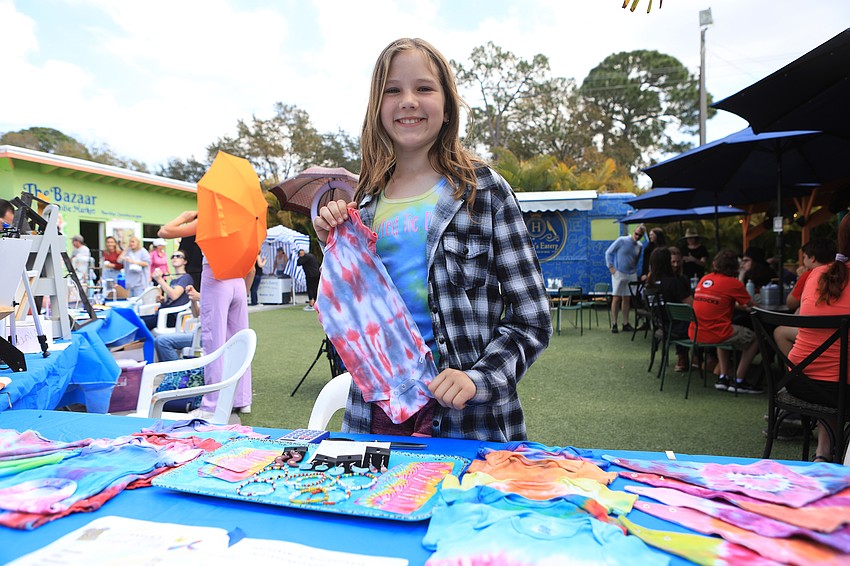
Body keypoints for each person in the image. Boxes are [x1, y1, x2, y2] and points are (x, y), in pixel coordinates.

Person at [312, 37, 551, 442]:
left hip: (468, 418)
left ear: (447, 106)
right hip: (374, 413)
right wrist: (334, 247)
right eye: (393, 90)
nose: (408, 100)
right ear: (377, 108)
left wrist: (480, 378)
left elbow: (532, 318)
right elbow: (350, 314)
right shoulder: (364, 202)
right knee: (374, 505)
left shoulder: (484, 191)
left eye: (424, 88)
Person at [158, 210, 252, 415]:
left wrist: (184, 216)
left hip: (216, 277)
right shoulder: (243, 221)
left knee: (213, 342)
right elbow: (252, 267)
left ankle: (212, 403)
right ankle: (243, 399)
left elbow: (164, 231)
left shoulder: (209, 221)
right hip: (238, 279)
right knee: (239, 342)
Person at [788, 215, 850, 462]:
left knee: (835, 371)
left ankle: (823, 453)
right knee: (839, 377)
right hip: (842, 388)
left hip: (800, 380)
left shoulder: (816, 274)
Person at [691, 250, 761, 394]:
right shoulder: (732, 283)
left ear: (715, 264)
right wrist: (741, 276)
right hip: (715, 332)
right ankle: (739, 379)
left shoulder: (705, 278)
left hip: (696, 331)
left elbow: (718, 300)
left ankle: (723, 377)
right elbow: (753, 306)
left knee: (724, 327)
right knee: (756, 338)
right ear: (735, 267)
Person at [774, 238, 837, 356]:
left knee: (779, 332)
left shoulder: (809, 274)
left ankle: (796, 370)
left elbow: (790, 303)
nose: (803, 261)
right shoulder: (841, 273)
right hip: (839, 332)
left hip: (817, 332)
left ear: (812, 258)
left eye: (804, 257)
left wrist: (800, 278)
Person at [646, 247, 692, 371]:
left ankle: (691, 358)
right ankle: (704, 359)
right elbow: (692, 305)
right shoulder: (673, 282)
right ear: (667, 262)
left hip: (660, 324)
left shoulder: (649, 283)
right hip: (676, 327)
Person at [605, 224, 645, 333]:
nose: (637, 237)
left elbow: (636, 259)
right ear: (633, 231)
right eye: (636, 234)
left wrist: (635, 270)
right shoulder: (622, 240)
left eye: (640, 236)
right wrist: (611, 267)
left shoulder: (639, 246)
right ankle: (614, 324)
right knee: (616, 298)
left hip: (631, 273)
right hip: (619, 273)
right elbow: (608, 252)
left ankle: (625, 323)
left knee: (627, 298)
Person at [140, 249, 193, 330]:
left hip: (172, 317)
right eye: (173, 256)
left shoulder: (186, 278)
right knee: (136, 320)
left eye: (178, 256)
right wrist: (162, 300)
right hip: (164, 314)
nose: (175, 258)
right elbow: (171, 300)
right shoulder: (173, 281)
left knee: (139, 322)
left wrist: (160, 280)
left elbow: (174, 295)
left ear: (185, 261)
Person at [154, 284, 201, 362]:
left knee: (162, 342)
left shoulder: (220, 291)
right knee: (159, 340)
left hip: (209, 336)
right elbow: (196, 314)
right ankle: (173, 372)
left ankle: (177, 372)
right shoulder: (211, 289)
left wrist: (200, 297)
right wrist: (193, 300)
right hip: (198, 332)